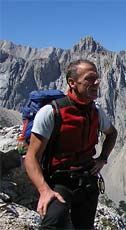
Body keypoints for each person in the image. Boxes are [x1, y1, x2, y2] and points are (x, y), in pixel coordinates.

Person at [24, 59, 118, 229]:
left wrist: (102, 158)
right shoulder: (51, 112)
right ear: (72, 83)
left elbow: (112, 133)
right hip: (59, 181)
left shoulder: (95, 111)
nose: (96, 82)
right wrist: (44, 190)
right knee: (51, 224)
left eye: (97, 78)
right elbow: (31, 158)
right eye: (90, 78)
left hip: (87, 180)